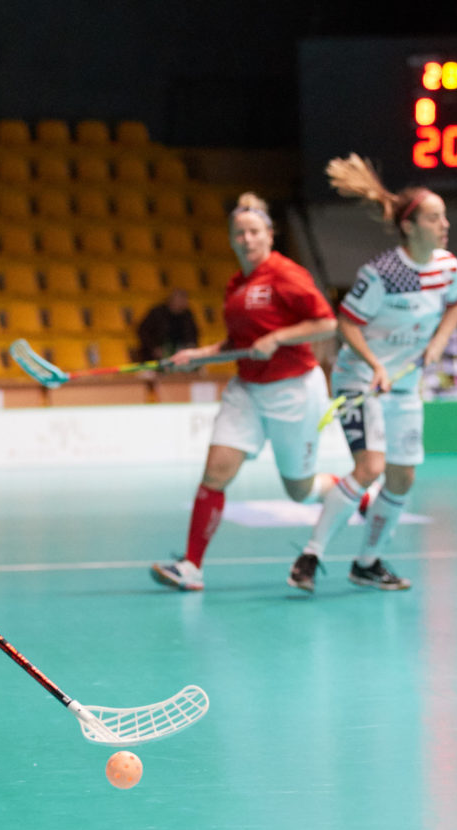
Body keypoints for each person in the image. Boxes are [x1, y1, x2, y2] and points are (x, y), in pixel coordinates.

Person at [287, 154, 457, 593]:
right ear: (409, 226)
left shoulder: (447, 267)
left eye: (444, 216)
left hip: (403, 387)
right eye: (434, 217)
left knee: (403, 476)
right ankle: (309, 556)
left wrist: (440, 341)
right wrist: (374, 365)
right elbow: (346, 322)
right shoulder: (383, 274)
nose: (444, 224)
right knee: (370, 466)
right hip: (360, 382)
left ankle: (367, 562)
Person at [150, 193, 339, 592]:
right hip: (248, 389)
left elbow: (326, 323)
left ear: (269, 234)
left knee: (300, 490)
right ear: (232, 240)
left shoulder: (286, 274)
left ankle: (350, 493)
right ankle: (191, 567)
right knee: (215, 471)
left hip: (294, 390)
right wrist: (198, 355)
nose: (247, 239)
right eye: (239, 233)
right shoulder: (236, 284)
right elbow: (236, 342)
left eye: (254, 231)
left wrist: (280, 337)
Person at [135, 287, 199, 362]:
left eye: (184, 300)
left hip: (180, 351)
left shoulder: (187, 315)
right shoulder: (157, 313)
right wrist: (154, 348)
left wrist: (191, 346)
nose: (183, 302)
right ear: (171, 300)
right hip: (155, 354)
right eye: (180, 299)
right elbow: (143, 331)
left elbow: (193, 333)